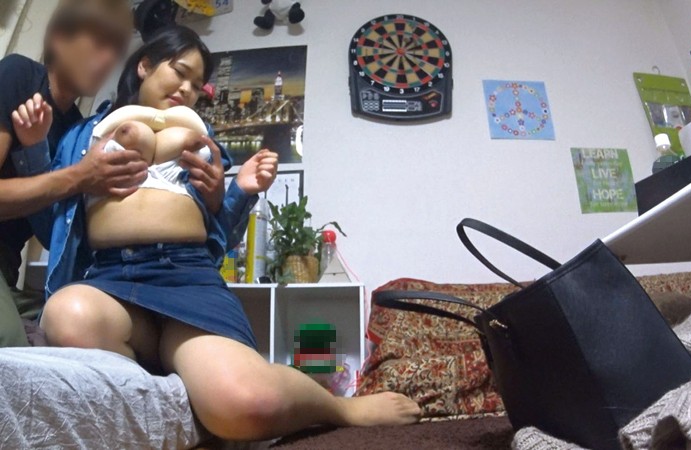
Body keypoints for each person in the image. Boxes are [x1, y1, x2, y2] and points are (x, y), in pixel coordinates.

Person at [32, 26, 421, 441]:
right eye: (179, 72)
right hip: (111, 281)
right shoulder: (85, 135)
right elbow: (48, 226)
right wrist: (40, 149)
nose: (187, 89)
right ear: (144, 65)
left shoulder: (202, 141)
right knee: (66, 315)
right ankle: (173, 393)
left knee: (248, 404)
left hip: (186, 277)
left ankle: (339, 406)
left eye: (197, 84)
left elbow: (218, 242)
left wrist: (236, 193)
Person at [0, 0, 148, 347]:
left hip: (8, 271)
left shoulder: (77, 130)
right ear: (60, 39)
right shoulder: (20, 76)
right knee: (13, 346)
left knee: (84, 331)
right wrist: (80, 176)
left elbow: (53, 233)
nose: (107, 60)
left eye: (116, 50)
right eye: (99, 42)